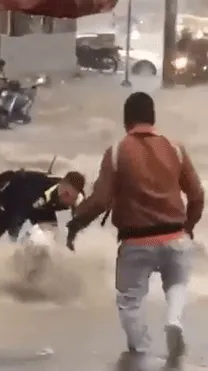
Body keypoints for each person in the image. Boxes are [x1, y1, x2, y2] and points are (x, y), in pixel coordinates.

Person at [66, 92, 204, 367]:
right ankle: (174, 320)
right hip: (175, 235)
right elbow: (198, 195)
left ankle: (140, 353)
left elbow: (101, 200)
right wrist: (188, 228)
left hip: (136, 241)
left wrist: (76, 223)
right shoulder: (175, 148)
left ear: (126, 120)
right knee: (177, 282)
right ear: (153, 118)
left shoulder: (117, 152)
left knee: (130, 301)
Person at [0, 169, 86, 241]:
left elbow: (82, 216)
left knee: (53, 235)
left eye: (74, 197)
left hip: (42, 206)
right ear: (61, 189)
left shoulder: (77, 198)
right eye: (66, 194)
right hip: (14, 194)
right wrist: (11, 246)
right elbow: (16, 221)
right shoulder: (36, 195)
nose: (70, 200)